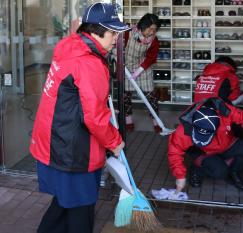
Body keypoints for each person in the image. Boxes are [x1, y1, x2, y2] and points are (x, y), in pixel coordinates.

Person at [29, 3, 130, 233]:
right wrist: (114, 142)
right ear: (95, 32)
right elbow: (93, 117)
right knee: (81, 209)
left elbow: (78, 100)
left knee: (67, 201)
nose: (116, 38)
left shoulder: (71, 48)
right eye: (113, 32)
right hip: (71, 150)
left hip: (55, 140)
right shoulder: (88, 62)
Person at [168, 97, 243, 192]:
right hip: (202, 151)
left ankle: (234, 172)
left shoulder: (226, 111)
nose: (202, 140)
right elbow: (174, 152)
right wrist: (180, 176)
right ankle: (197, 169)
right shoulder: (183, 129)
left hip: (225, 144)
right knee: (220, 172)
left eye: (205, 137)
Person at [124, 13, 161, 132]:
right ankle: (128, 121)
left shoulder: (154, 40)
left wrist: (139, 70)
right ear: (142, 26)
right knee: (126, 96)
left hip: (143, 66)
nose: (151, 32)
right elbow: (117, 45)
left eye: (154, 29)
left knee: (151, 96)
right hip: (126, 66)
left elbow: (151, 57)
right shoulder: (128, 33)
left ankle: (156, 121)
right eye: (149, 28)